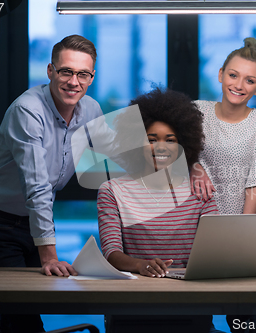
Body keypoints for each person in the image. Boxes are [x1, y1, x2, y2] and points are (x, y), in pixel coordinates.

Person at [0, 35, 102, 332]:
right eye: (66, 71)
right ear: (50, 71)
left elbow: (113, 169)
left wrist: (189, 169)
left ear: (92, 77)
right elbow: (37, 185)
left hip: (37, 221)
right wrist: (49, 256)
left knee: (36, 303)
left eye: (83, 74)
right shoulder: (28, 110)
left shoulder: (92, 111)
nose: (74, 82)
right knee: (21, 311)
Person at [97, 87, 218, 332]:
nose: (160, 147)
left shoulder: (200, 191)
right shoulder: (112, 191)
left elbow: (212, 252)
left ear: (183, 144)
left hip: (191, 306)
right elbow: (111, 253)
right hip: (132, 307)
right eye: (151, 139)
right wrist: (140, 265)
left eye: (170, 140)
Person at [191, 37, 256, 214]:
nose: (238, 85)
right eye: (233, 75)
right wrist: (193, 166)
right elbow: (161, 146)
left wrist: (241, 233)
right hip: (191, 223)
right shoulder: (196, 110)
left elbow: (255, 185)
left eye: (250, 81)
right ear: (221, 74)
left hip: (242, 225)